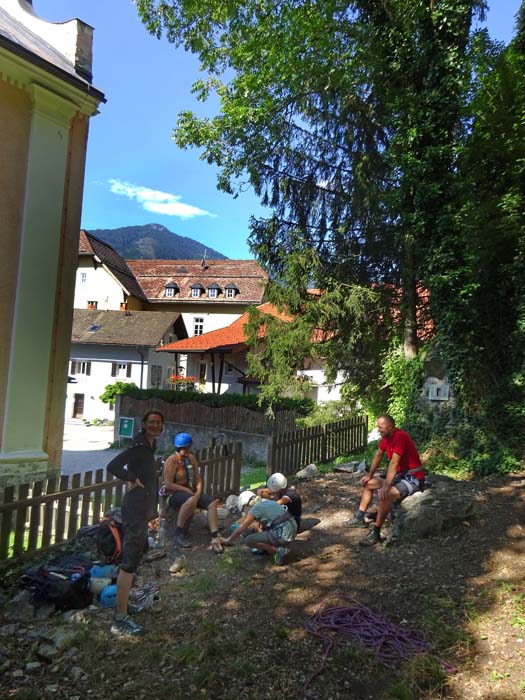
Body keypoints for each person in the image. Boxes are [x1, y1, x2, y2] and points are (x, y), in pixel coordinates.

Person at [106, 410, 164, 636]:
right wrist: (131, 478)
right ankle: (119, 618)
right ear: (143, 424)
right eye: (151, 422)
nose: (155, 425)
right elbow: (113, 466)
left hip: (142, 509)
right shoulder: (139, 445)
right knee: (129, 561)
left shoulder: (150, 445)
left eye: (158, 422)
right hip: (134, 508)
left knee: (138, 554)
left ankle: (127, 601)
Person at [347, 414, 425, 547]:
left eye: (381, 427)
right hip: (400, 475)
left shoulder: (400, 436)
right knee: (369, 484)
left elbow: (394, 463)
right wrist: (370, 475)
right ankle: (359, 517)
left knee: (385, 495)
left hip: (413, 478)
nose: (379, 430)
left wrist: (386, 486)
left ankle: (376, 533)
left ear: (390, 427)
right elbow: (378, 456)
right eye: (378, 427)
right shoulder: (386, 438)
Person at [163, 432, 223, 553]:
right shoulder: (171, 461)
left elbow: (198, 478)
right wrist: (188, 492)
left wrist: (198, 492)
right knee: (190, 500)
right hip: (174, 494)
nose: (187, 451)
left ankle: (215, 535)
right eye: (184, 449)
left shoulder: (191, 458)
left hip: (191, 492)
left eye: (188, 448)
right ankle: (178, 534)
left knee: (212, 503)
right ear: (178, 449)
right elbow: (168, 484)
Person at [221, 490, 297, 565]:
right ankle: (278, 552)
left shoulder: (255, 509)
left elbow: (241, 529)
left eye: (244, 508)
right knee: (265, 534)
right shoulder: (265, 501)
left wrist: (228, 540)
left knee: (249, 540)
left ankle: (277, 550)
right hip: (292, 528)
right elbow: (262, 525)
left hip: (282, 533)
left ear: (246, 504)